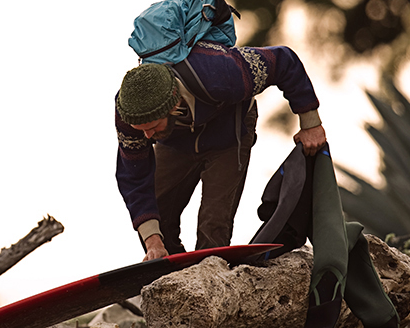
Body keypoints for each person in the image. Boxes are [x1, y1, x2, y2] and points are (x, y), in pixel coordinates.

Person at [114, 41, 327, 261]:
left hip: (229, 133)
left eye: (151, 127)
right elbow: (134, 178)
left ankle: (209, 276)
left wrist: (310, 123)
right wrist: (153, 243)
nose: (147, 136)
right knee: (153, 216)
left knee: (213, 223)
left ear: (173, 104)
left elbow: (283, 60)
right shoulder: (128, 114)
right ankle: (177, 277)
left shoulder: (220, 73)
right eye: (142, 131)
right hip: (175, 141)